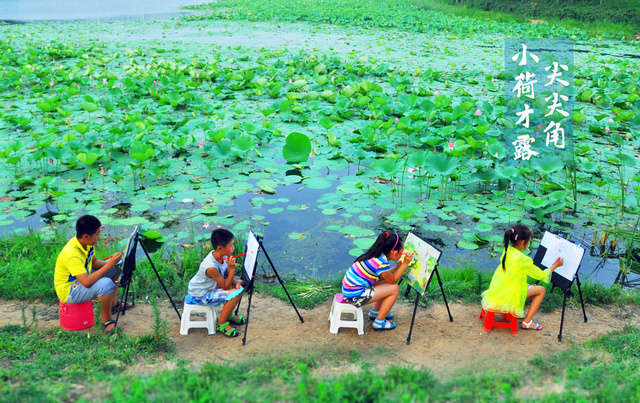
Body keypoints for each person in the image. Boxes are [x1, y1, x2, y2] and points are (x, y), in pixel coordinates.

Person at [481, 223, 564, 330]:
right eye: (529, 241)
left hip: (497, 290)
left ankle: (514, 313)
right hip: (508, 295)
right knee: (541, 290)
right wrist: (556, 265)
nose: (529, 243)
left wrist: (527, 285)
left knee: (530, 286)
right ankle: (527, 323)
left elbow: (512, 275)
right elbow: (542, 275)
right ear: (523, 242)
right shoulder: (523, 260)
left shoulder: (507, 250)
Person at [54, 215, 128, 334]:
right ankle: (107, 321)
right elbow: (86, 281)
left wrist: (112, 264)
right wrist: (109, 265)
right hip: (68, 290)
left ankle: (112, 304)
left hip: (82, 277)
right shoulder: (72, 253)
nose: (99, 237)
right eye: (97, 234)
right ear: (86, 236)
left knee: (116, 271)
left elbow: (93, 262)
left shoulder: (86, 243)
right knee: (106, 284)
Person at [341, 231, 414, 330]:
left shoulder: (375, 256)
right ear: (395, 252)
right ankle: (379, 323)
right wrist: (405, 263)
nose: (403, 254)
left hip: (350, 291)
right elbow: (393, 280)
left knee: (386, 284)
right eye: (403, 251)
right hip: (354, 296)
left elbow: (386, 276)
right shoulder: (381, 263)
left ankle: (375, 312)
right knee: (394, 289)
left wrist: (397, 268)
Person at [187, 228, 245, 337]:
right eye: (231, 245)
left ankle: (228, 314)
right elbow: (226, 286)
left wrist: (236, 282)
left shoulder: (220, 255)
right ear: (220, 248)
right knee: (235, 293)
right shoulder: (211, 267)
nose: (233, 248)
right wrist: (233, 269)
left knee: (240, 286)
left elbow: (226, 273)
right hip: (201, 294)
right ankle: (221, 323)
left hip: (211, 286)